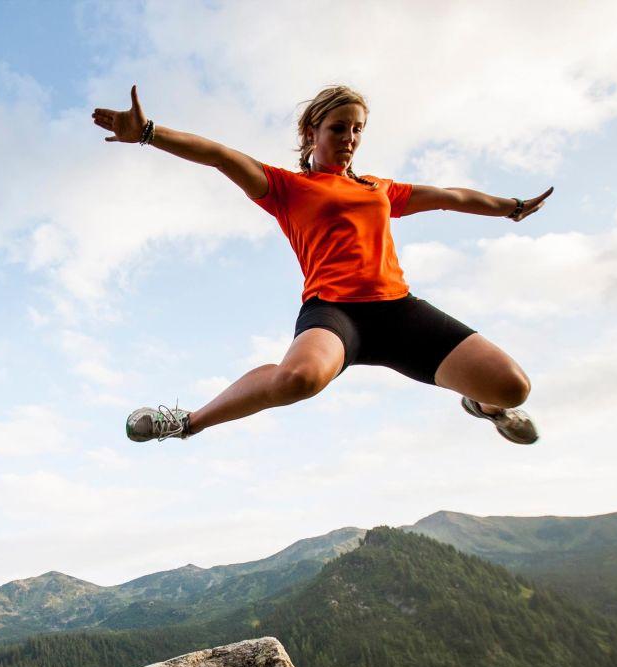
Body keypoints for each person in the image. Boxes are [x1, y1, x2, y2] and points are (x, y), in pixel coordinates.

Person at [91, 84, 551, 445]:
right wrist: (149, 133)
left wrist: (509, 207)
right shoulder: (286, 188)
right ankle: (186, 422)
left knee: (512, 387)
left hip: (399, 311)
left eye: (357, 130)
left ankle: (486, 407)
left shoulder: (379, 189)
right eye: (338, 128)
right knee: (299, 378)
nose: (350, 139)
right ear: (311, 133)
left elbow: (450, 197)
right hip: (335, 313)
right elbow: (219, 156)